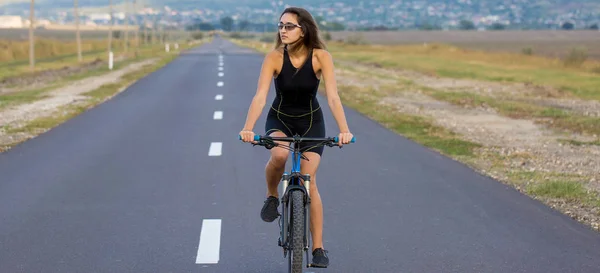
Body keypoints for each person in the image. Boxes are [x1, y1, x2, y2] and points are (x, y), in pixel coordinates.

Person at [239, 6, 353, 268]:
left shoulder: (321, 56)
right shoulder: (274, 57)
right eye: (280, 25)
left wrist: (344, 130)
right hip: (279, 118)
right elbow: (260, 96)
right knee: (279, 154)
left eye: (289, 26)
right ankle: (271, 196)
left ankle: (318, 248)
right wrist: (248, 127)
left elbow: (333, 97)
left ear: (304, 29)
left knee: (308, 181)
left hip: (312, 121)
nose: (283, 30)